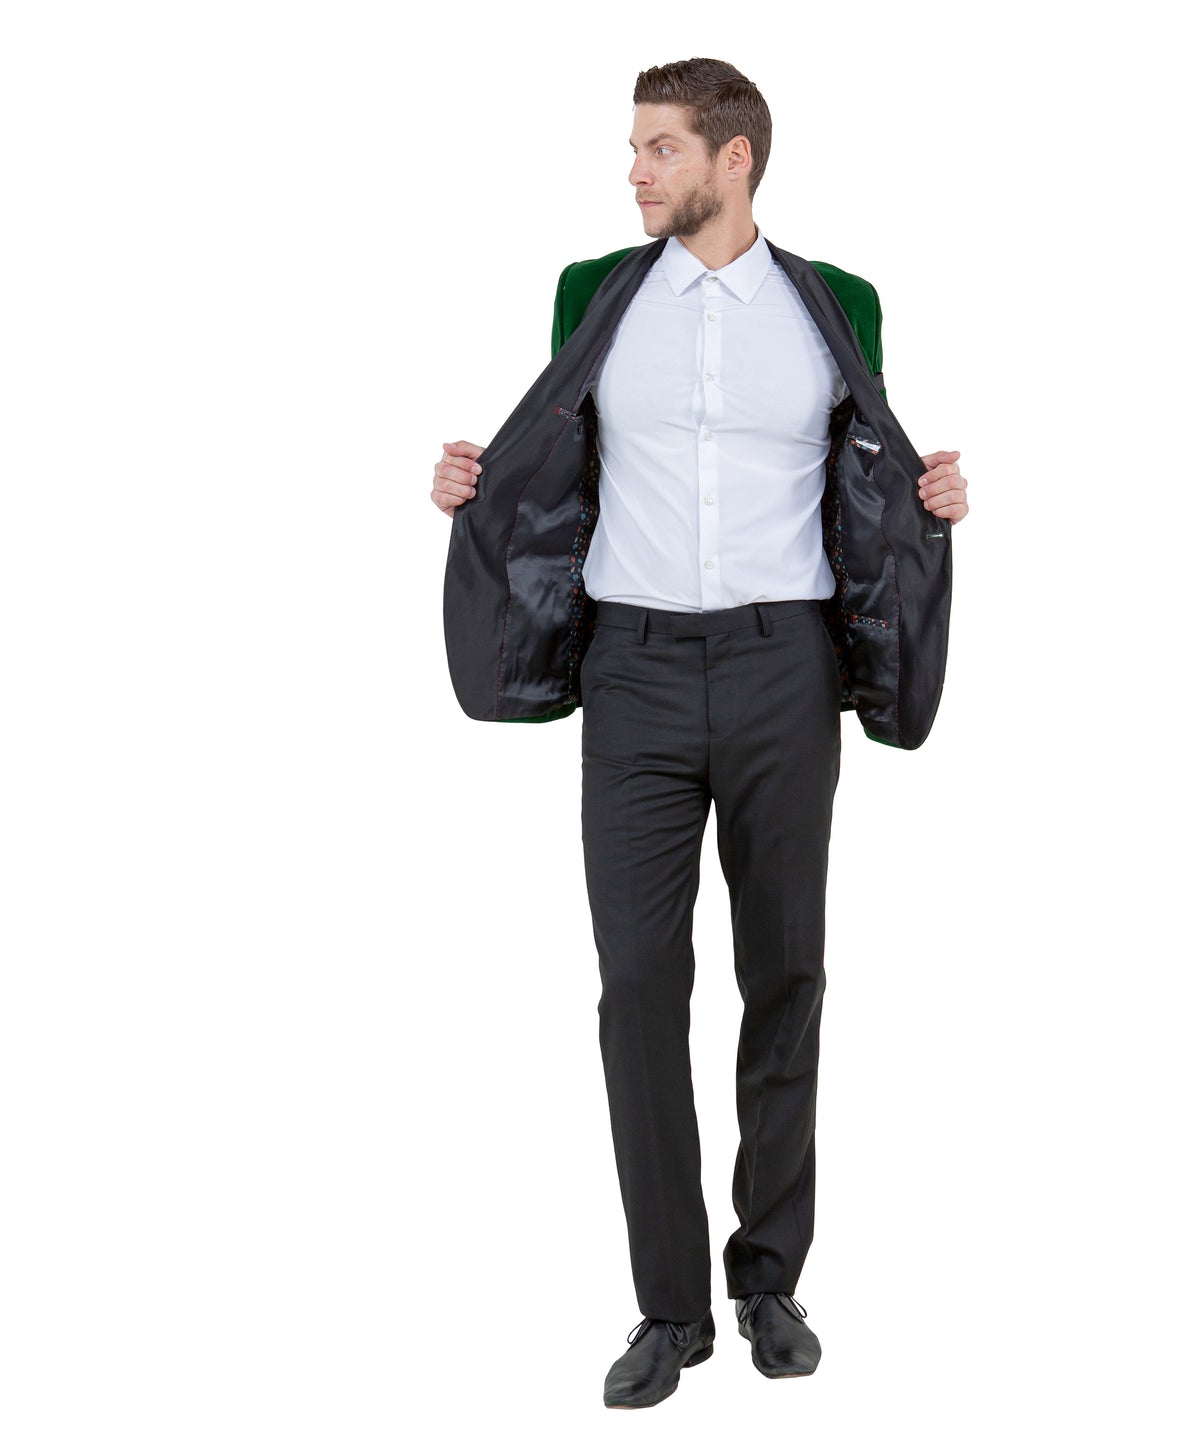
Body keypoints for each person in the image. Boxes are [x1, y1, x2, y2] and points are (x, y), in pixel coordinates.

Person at [431, 57, 969, 1409]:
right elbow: (546, 453)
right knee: (636, 987)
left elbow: (870, 471)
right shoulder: (591, 294)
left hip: (787, 667)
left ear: (734, 160)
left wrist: (933, 503)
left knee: (785, 973)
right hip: (634, 674)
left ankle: (769, 1280)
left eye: (659, 148)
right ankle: (669, 1307)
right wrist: (469, 488)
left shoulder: (837, 303)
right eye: (635, 148)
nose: (635, 171)